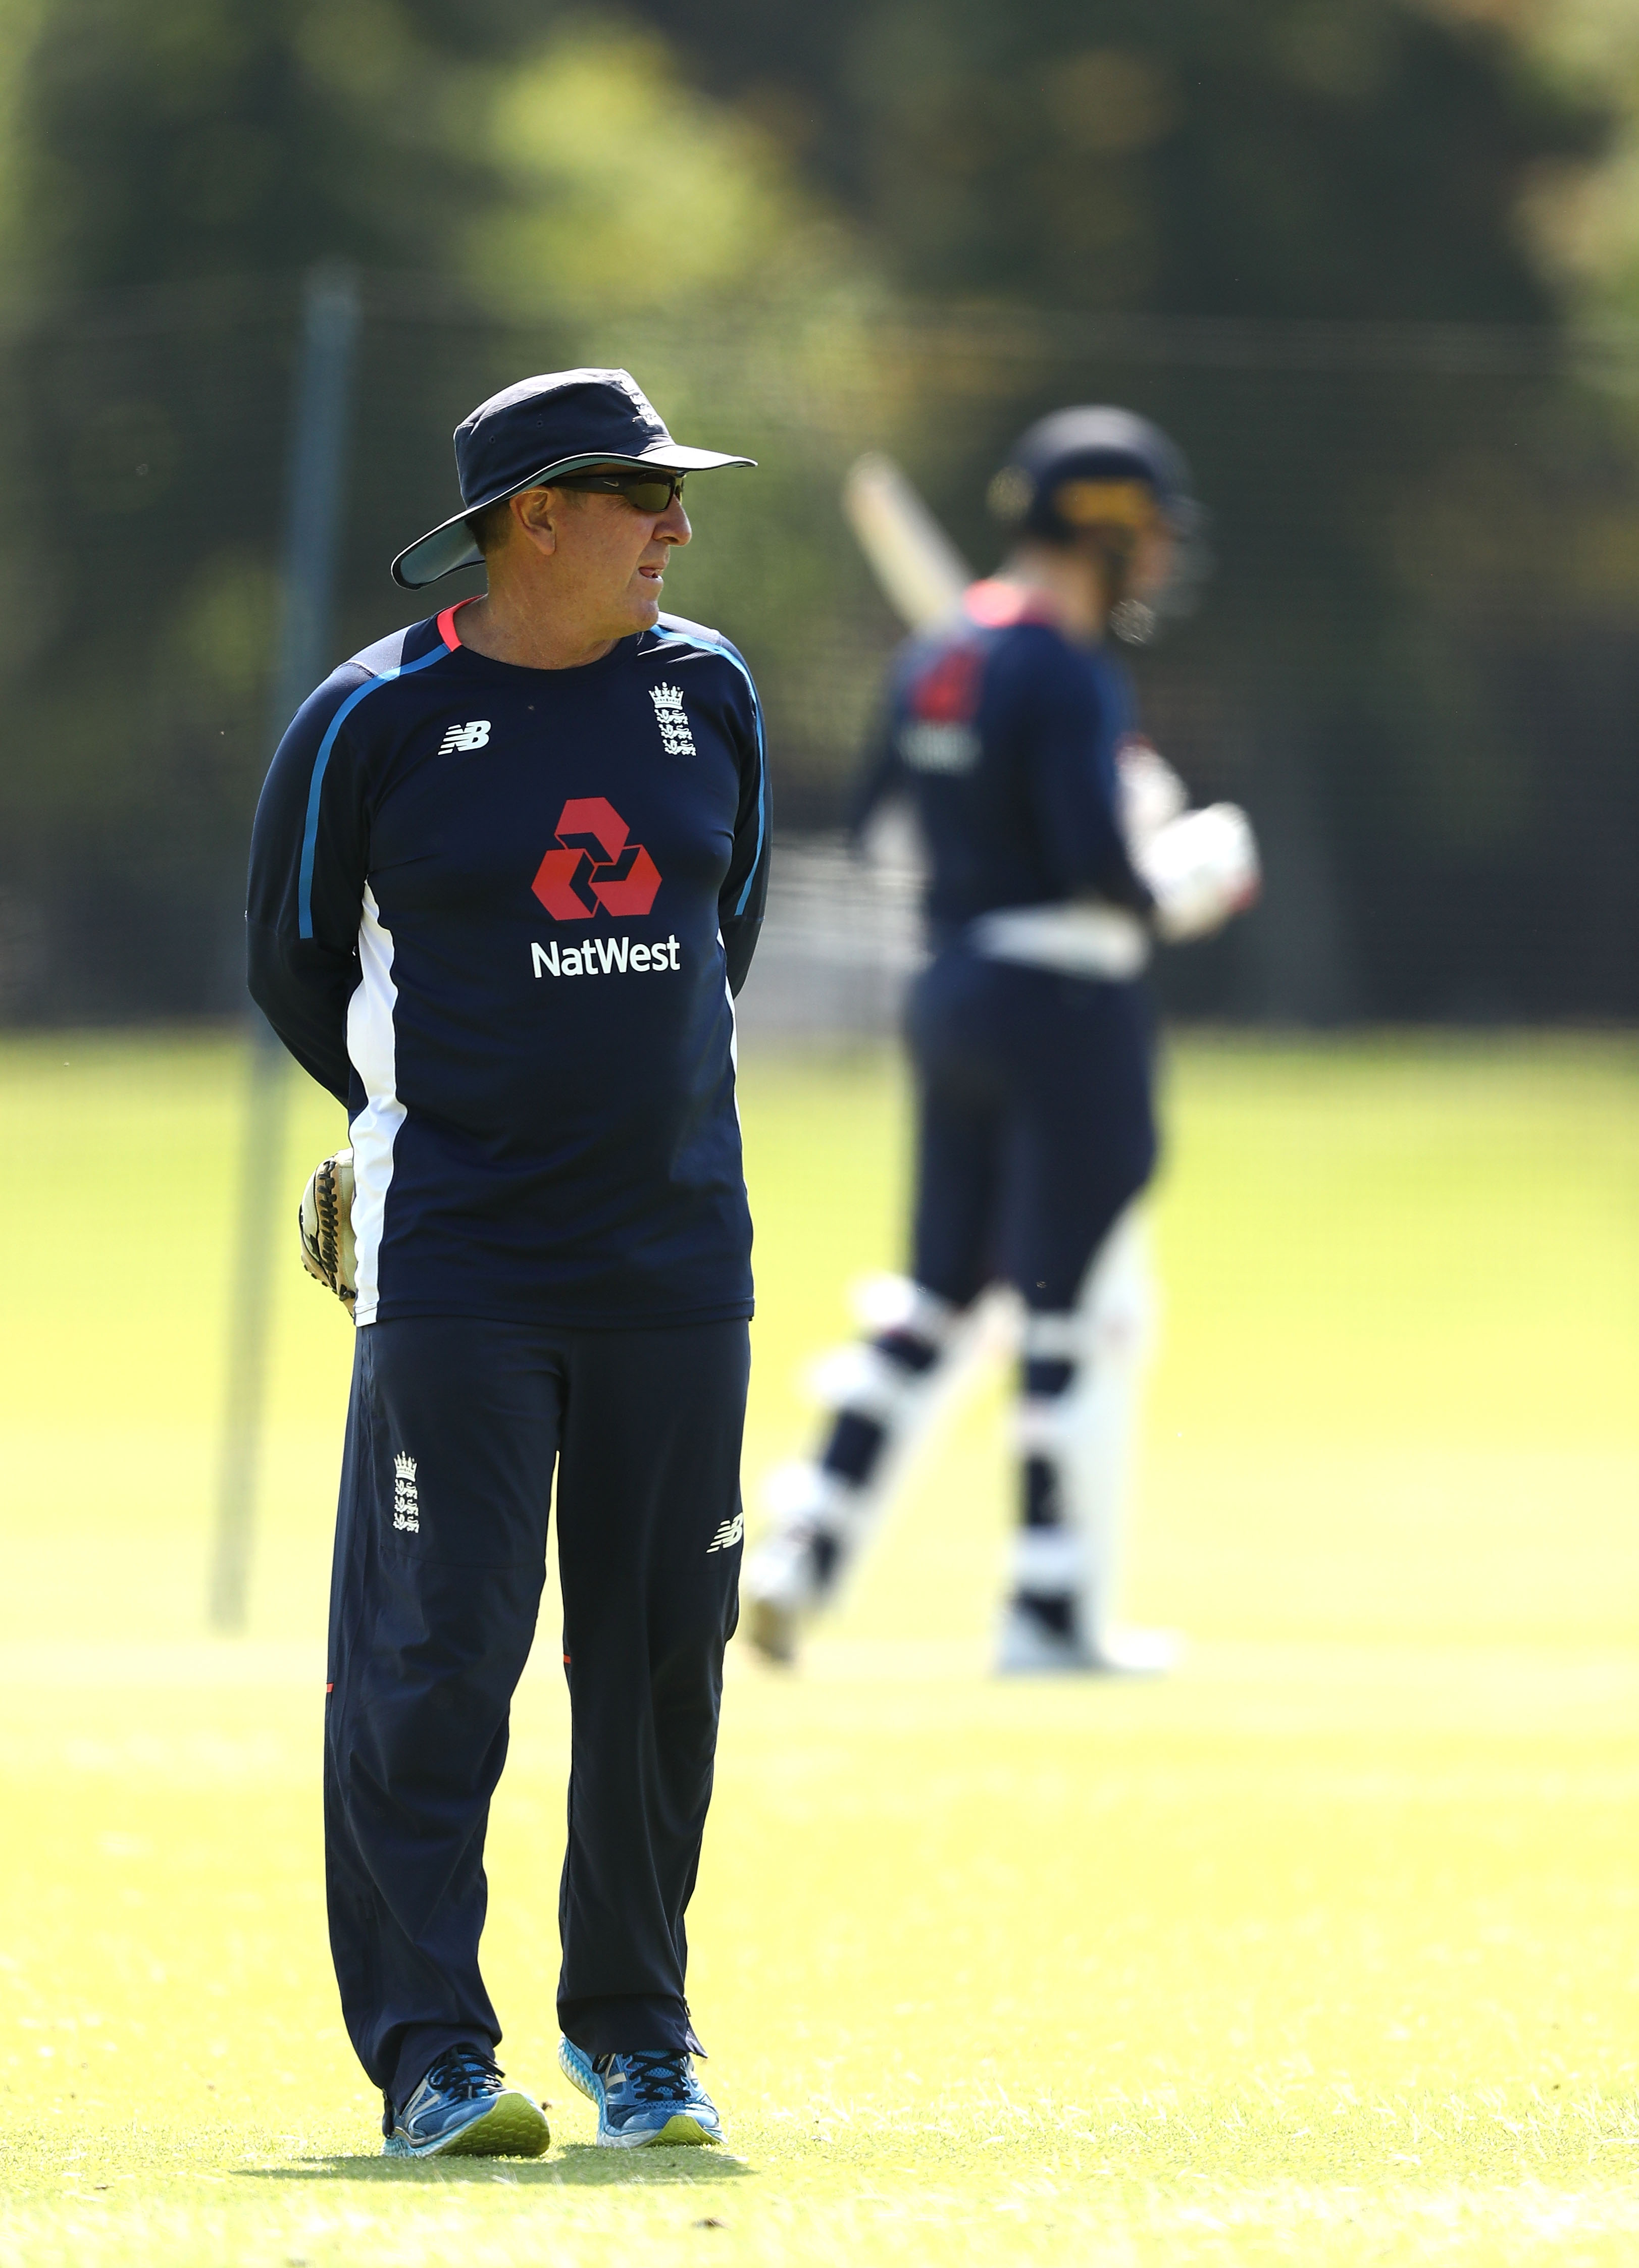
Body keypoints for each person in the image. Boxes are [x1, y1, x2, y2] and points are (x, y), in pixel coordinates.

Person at [246, 367, 769, 2157]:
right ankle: (432, 2057)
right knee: (436, 1658)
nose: (677, 527)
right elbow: (293, 963)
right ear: (537, 517)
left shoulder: (710, 692)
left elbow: (723, 928)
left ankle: (638, 2039)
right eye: (644, 495)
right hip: (460, 1261)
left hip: (677, 1255)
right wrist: (410, 1124)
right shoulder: (368, 719)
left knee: (661, 1662)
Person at [742, 407, 1255, 1675]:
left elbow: (884, 831)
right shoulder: (1067, 669)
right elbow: (1097, 871)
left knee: (940, 1294)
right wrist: (1179, 876)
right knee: (1073, 1312)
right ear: (1105, 532)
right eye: (1149, 534)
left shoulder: (944, 658)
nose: (1160, 559)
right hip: (1067, 1007)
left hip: (953, 989)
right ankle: (1052, 1608)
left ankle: (804, 1545)